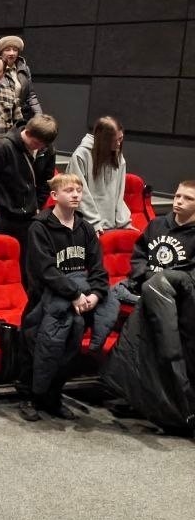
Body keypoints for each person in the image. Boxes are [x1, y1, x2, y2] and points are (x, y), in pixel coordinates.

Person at [19, 173, 114, 422]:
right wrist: (74, 294)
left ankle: (53, 398)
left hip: (79, 303)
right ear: (54, 196)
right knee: (37, 347)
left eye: (78, 191)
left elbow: (98, 268)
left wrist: (96, 295)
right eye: (69, 190)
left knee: (68, 351)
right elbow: (45, 270)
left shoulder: (85, 228)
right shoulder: (39, 227)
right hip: (44, 300)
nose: (75, 195)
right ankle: (29, 397)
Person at [103, 180, 195, 429]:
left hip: (175, 300)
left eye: (188, 198)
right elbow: (139, 256)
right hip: (144, 289)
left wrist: (163, 282)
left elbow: (190, 278)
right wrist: (146, 276)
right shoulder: (157, 224)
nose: (179, 202)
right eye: (177, 196)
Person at [0, 114, 58, 255]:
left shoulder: (47, 149)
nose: (40, 147)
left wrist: (38, 205)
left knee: (25, 259)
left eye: (44, 145)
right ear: (28, 132)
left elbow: (46, 181)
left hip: (29, 216)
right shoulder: (2, 148)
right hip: (1, 214)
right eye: (37, 143)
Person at [65, 116, 132, 234]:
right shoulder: (81, 155)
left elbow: (119, 194)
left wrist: (124, 222)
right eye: (114, 141)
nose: (118, 144)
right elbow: (80, 194)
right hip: (86, 226)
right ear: (103, 140)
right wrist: (94, 223)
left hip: (111, 226)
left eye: (120, 139)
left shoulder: (118, 157)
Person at [0, 34, 42, 123]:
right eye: (7, 50)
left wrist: (39, 115)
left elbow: (31, 95)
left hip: (22, 116)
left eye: (15, 50)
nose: (12, 53)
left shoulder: (24, 69)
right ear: (1, 52)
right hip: (2, 116)